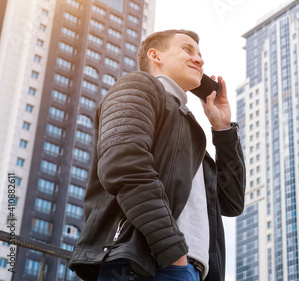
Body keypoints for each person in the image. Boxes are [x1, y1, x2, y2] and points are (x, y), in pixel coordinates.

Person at [69, 29, 246, 281]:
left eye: (200, 55)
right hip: (147, 264)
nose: (199, 60)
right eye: (187, 50)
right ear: (155, 55)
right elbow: (124, 166)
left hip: (190, 270)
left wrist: (223, 130)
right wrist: (174, 253)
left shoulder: (191, 134)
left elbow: (231, 202)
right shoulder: (138, 86)